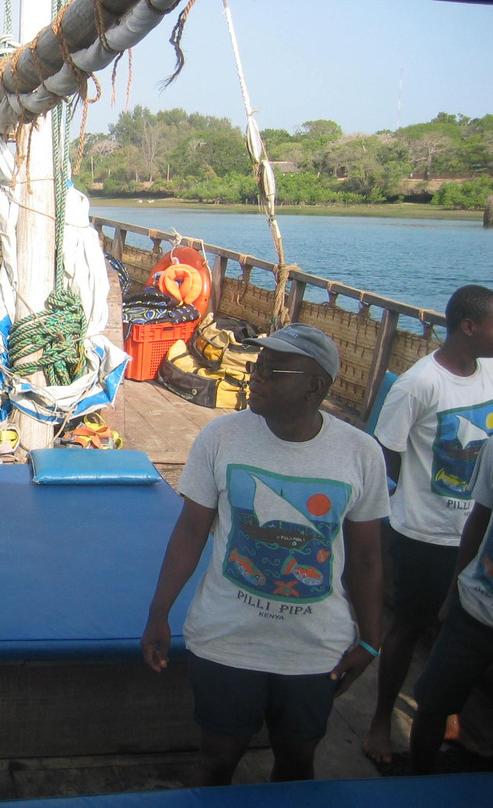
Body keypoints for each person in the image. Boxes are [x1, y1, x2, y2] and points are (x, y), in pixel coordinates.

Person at [142, 323, 389, 785]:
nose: (256, 376)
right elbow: (191, 531)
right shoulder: (220, 438)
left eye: (274, 371)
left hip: (314, 651)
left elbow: (368, 558)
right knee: (216, 759)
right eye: (256, 367)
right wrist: (159, 614)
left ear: (314, 386)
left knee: (297, 761)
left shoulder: (360, 453)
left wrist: (371, 640)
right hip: (226, 640)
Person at [363, 284, 493, 765]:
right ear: (469, 327)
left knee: (456, 628)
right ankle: (380, 720)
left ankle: (445, 712)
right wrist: (418, 497)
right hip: (423, 533)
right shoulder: (419, 384)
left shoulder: (490, 374)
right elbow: (387, 455)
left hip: (475, 536)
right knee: (408, 629)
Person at [410, 438, 493, 773]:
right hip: (474, 608)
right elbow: (478, 519)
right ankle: (418, 782)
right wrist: (453, 593)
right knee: (431, 703)